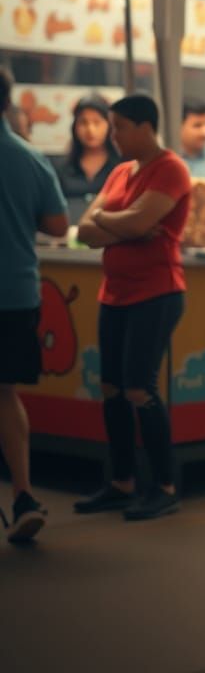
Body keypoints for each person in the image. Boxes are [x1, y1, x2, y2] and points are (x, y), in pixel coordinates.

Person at [73, 95, 191, 521]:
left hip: (156, 294)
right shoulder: (122, 172)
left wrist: (112, 219)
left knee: (140, 389)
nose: (113, 135)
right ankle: (121, 482)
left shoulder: (171, 168)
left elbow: (138, 223)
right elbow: (85, 231)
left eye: (120, 126)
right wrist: (121, 223)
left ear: (145, 126)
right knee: (112, 389)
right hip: (115, 294)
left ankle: (163, 486)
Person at [0, 67, 68, 542]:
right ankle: (23, 495)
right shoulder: (26, 157)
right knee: (4, 394)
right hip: (13, 293)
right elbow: (59, 226)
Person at [53, 94, 121, 224]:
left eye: (97, 122)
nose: (90, 130)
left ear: (109, 125)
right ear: (75, 127)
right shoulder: (61, 167)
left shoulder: (121, 166)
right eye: (83, 122)